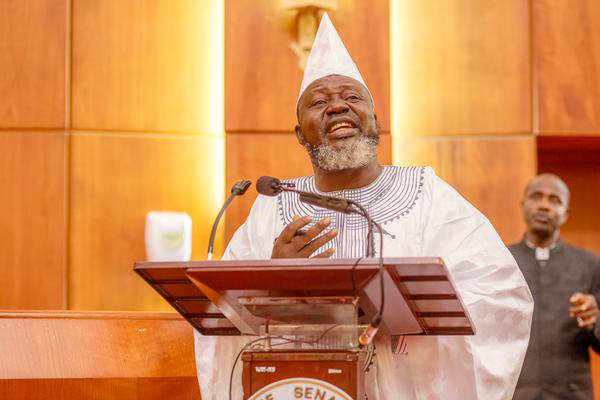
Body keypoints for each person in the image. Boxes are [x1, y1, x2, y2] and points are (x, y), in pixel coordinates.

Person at [195, 13, 533, 399]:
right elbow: (217, 318)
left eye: (352, 98)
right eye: (319, 102)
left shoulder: (428, 195)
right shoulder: (273, 208)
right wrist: (272, 279)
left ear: (375, 120)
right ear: (299, 133)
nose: (338, 107)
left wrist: (408, 314)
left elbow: (500, 295)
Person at [510, 173, 600, 399]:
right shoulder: (502, 261)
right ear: (523, 205)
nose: (543, 206)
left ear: (566, 213)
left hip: (572, 394)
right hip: (514, 393)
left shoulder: (590, 264)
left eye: (554, 200)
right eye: (536, 197)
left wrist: (595, 319)